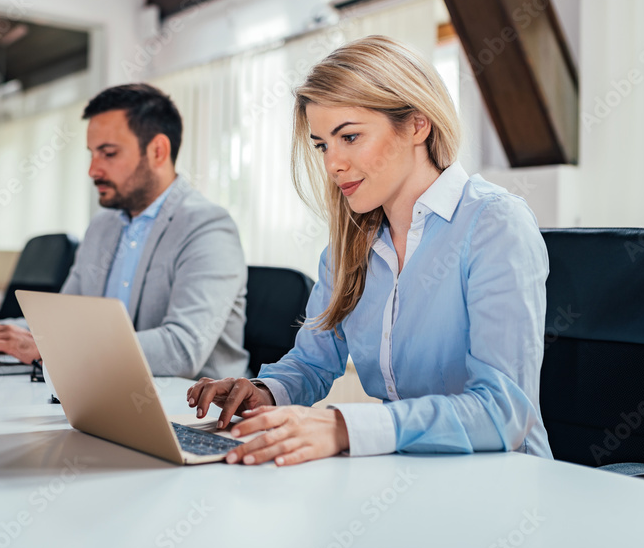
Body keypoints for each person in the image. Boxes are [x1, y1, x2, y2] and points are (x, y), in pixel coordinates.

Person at [188, 35, 552, 466]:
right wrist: (264, 392)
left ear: (417, 125)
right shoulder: (349, 245)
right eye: (322, 144)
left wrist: (344, 427)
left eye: (350, 136)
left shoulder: (494, 226)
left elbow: (502, 412)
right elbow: (313, 362)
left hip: (502, 484)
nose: (332, 164)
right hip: (404, 471)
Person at [0, 83, 250, 380]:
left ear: (157, 151)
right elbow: (64, 321)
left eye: (109, 153)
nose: (93, 170)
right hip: (111, 393)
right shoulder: (103, 225)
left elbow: (182, 350)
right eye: (91, 153)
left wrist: (53, 348)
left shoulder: (207, 228)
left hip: (194, 413)